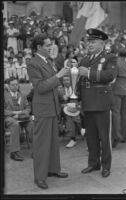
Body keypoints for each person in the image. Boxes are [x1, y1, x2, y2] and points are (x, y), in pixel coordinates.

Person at [27, 33, 70, 190]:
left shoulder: (47, 61)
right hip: (43, 109)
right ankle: (39, 177)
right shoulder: (32, 63)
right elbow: (40, 87)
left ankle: (53, 169)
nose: (50, 47)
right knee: (42, 144)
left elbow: (52, 85)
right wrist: (58, 75)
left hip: (52, 107)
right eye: (47, 45)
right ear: (38, 47)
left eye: (50, 44)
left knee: (53, 142)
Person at [78, 28, 118, 178]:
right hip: (88, 102)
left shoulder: (110, 57)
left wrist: (88, 73)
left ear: (102, 43)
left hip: (102, 102)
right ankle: (93, 163)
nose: (89, 44)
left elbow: (110, 75)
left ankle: (106, 166)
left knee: (104, 137)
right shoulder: (84, 59)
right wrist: (75, 99)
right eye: (88, 41)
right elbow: (79, 81)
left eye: (93, 42)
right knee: (91, 137)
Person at [4, 77, 34, 161]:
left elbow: (28, 108)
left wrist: (20, 114)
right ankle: (14, 152)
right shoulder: (4, 95)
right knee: (15, 124)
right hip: (8, 118)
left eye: (16, 84)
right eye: (13, 85)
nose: (15, 86)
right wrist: (13, 113)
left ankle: (36, 150)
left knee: (31, 124)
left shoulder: (22, 95)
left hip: (21, 117)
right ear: (8, 86)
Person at [111, 48, 126, 147]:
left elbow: (113, 76)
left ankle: (117, 135)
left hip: (117, 90)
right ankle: (123, 136)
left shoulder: (116, 62)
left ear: (118, 54)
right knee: (124, 113)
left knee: (116, 113)